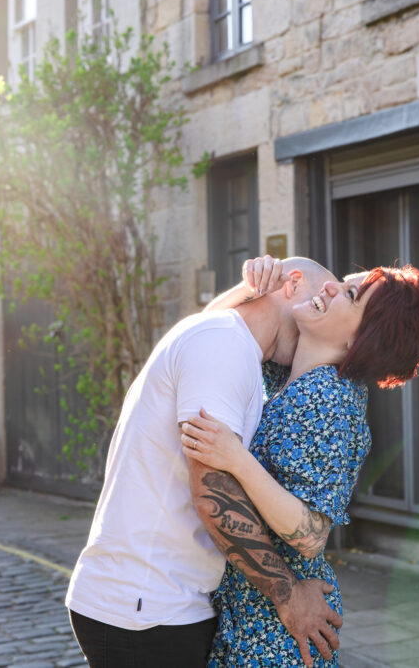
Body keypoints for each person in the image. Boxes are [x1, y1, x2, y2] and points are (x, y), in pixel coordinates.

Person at [66, 256, 351, 668]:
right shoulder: (223, 346)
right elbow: (213, 492)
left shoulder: (232, 345)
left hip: (157, 603)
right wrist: (290, 597)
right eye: (318, 295)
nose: (321, 305)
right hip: (145, 609)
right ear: (290, 285)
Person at [181, 260, 419, 667]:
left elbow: (310, 535)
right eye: (344, 283)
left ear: (364, 338)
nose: (332, 288)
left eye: (351, 295)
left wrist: (236, 459)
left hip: (277, 635)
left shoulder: (331, 401)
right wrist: (251, 288)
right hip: (249, 617)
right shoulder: (287, 377)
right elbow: (207, 334)